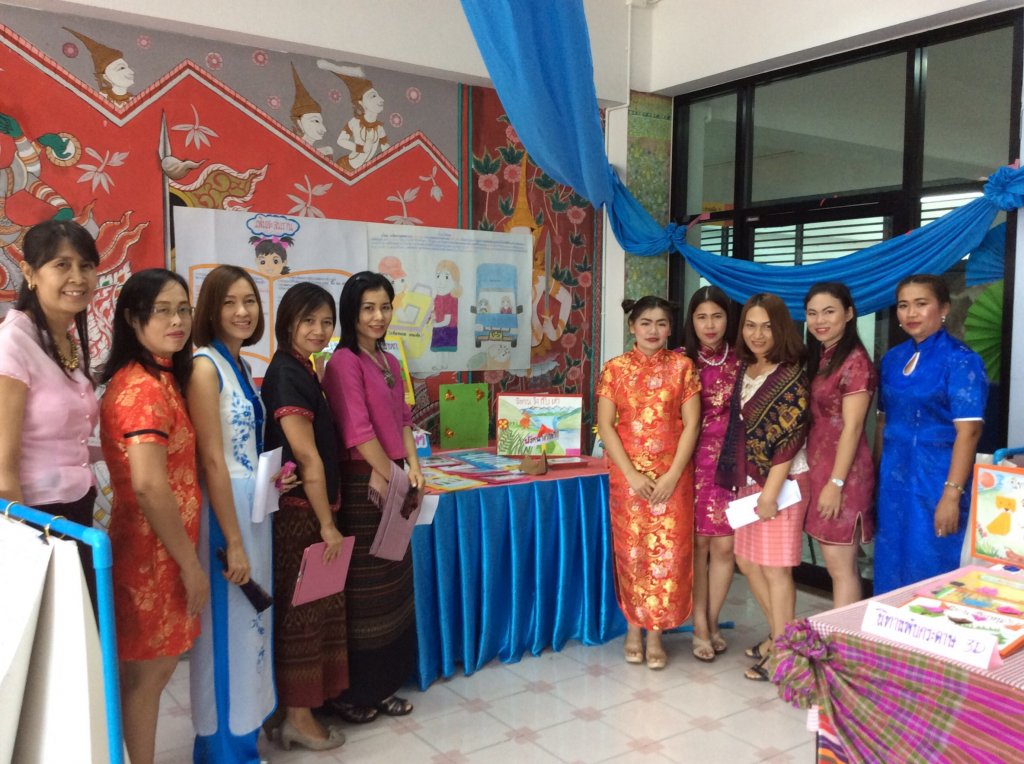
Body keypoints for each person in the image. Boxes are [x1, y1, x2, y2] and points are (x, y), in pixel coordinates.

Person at [99, 269, 208, 764]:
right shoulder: (143, 387)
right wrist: (189, 564)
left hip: (160, 547)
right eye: (162, 310)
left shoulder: (161, 376)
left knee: (151, 674)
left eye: (182, 309)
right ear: (132, 317)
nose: (176, 320)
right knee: (147, 677)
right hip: (153, 554)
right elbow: (148, 485)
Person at [322, 271, 424, 721]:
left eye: (384, 307)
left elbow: (403, 417)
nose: (378, 316)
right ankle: (354, 693)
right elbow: (357, 430)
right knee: (366, 596)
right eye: (368, 308)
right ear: (352, 312)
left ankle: (383, 686)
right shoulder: (343, 362)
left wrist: (413, 467)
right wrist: (391, 473)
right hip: (365, 484)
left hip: (393, 477)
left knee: (393, 590)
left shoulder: (389, 359)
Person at [187, 266, 275, 763]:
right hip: (225, 516)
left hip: (252, 507)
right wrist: (234, 540)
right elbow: (212, 460)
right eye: (229, 302)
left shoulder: (238, 363)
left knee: (250, 628)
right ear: (211, 309)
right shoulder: (204, 367)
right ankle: (222, 750)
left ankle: (243, 741)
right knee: (227, 633)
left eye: (250, 301)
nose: (243, 311)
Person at [260, 282, 347, 752]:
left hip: (309, 509)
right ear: (287, 322)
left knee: (309, 610)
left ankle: (289, 711)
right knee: (303, 616)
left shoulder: (302, 368)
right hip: (303, 518)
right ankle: (297, 715)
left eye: (326, 321)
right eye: (308, 320)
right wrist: (327, 525)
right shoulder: (287, 375)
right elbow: (307, 456)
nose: (319, 330)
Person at [596, 296, 700, 670]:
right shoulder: (615, 369)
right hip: (629, 480)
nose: (653, 331)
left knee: (667, 557)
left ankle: (656, 633)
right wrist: (630, 473)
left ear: (670, 328)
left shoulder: (683, 367)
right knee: (633, 554)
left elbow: (692, 424)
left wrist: (672, 475)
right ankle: (633, 628)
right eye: (645, 323)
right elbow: (606, 425)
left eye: (661, 323)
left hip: (673, 479)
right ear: (632, 327)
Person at [0, 221, 100, 605]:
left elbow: (63, 438)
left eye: (86, 266)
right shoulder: (13, 343)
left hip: (76, 512)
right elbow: (3, 466)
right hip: (35, 520)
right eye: (62, 265)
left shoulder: (63, 340)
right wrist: (22, 546)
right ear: (29, 273)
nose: (78, 277)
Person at [716, 293, 809, 682]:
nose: (757, 334)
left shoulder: (791, 374)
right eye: (750, 326)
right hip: (748, 479)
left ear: (781, 328)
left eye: (767, 326)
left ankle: (786, 655)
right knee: (747, 561)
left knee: (775, 569)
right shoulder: (747, 368)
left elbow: (791, 438)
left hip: (781, 482)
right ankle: (783, 638)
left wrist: (770, 493)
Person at [875, 274, 987, 593]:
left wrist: (952, 494)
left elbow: (969, 431)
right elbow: (883, 422)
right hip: (894, 480)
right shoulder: (893, 359)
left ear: (944, 309)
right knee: (890, 561)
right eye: (903, 305)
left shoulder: (961, 359)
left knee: (932, 563)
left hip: (938, 478)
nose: (911, 313)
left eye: (921, 304)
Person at [803, 283, 876, 608]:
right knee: (837, 565)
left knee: (841, 568)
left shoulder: (854, 362)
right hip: (822, 469)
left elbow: (853, 427)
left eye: (829, 312)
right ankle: (840, 633)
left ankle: (843, 638)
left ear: (848, 314)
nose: (820, 320)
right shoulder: (824, 357)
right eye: (812, 313)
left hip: (843, 474)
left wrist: (835, 483)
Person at [679, 286, 740, 662]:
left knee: (726, 547)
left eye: (717, 316)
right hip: (691, 464)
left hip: (734, 464)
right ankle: (699, 624)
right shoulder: (679, 362)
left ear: (728, 319)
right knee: (699, 546)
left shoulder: (745, 360)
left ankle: (712, 619)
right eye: (701, 317)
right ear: (692, 321)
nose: (710, 324)